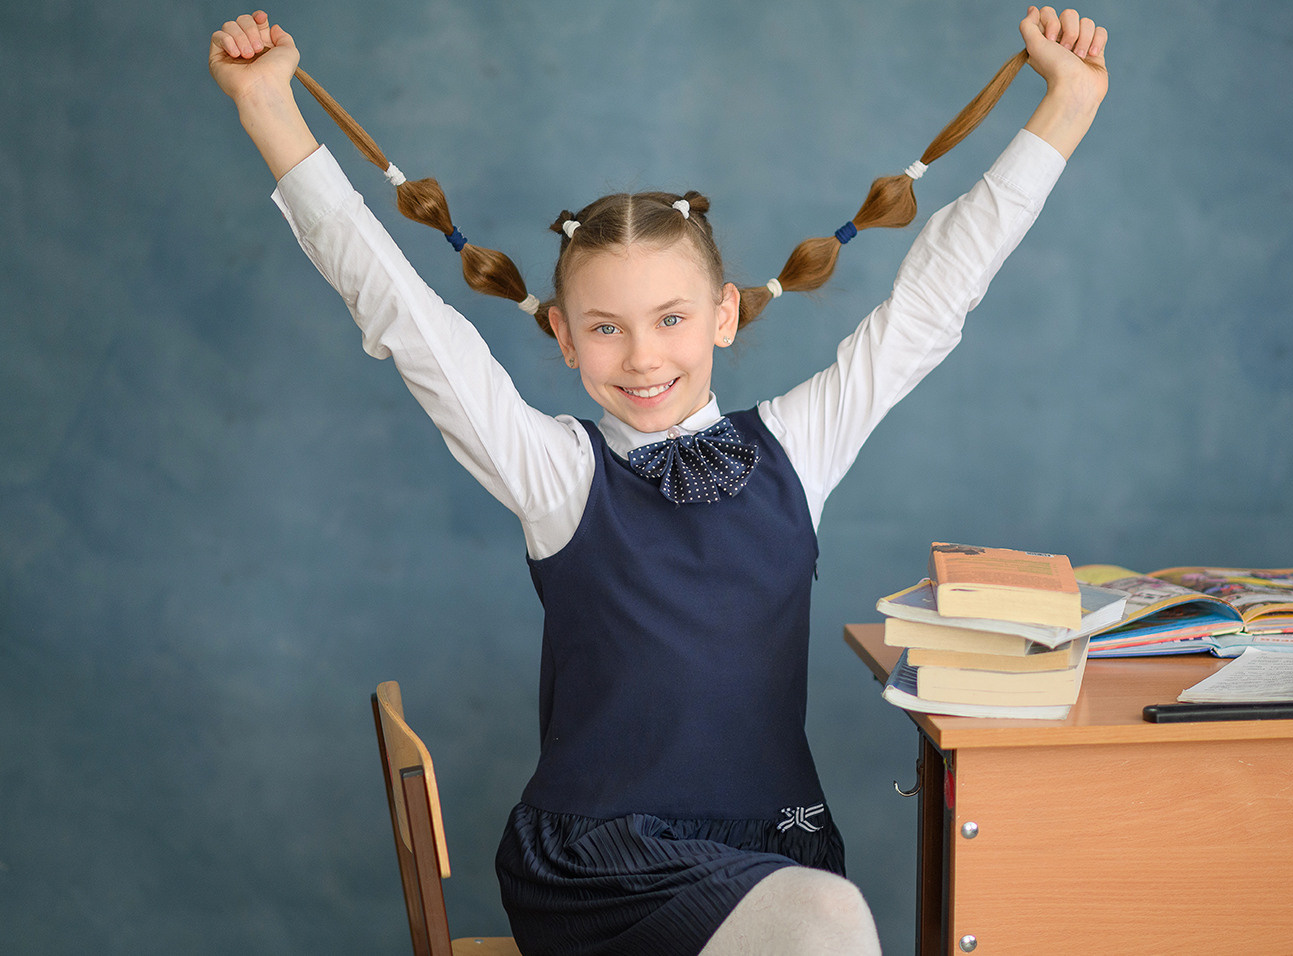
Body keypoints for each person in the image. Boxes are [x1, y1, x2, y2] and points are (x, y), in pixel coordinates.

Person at [209, 8, 1108, 955]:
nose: (642, 357)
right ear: (559, 334)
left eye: (671, 319)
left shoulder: (799, 445)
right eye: (605, 327)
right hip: (602, 862)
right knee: (832, 926)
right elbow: (399, 310)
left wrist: (1067, 106)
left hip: (774, 853)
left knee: (819, 916)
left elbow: (933, 298)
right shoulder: (556, 472)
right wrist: (270, 106)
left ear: (724, 315)